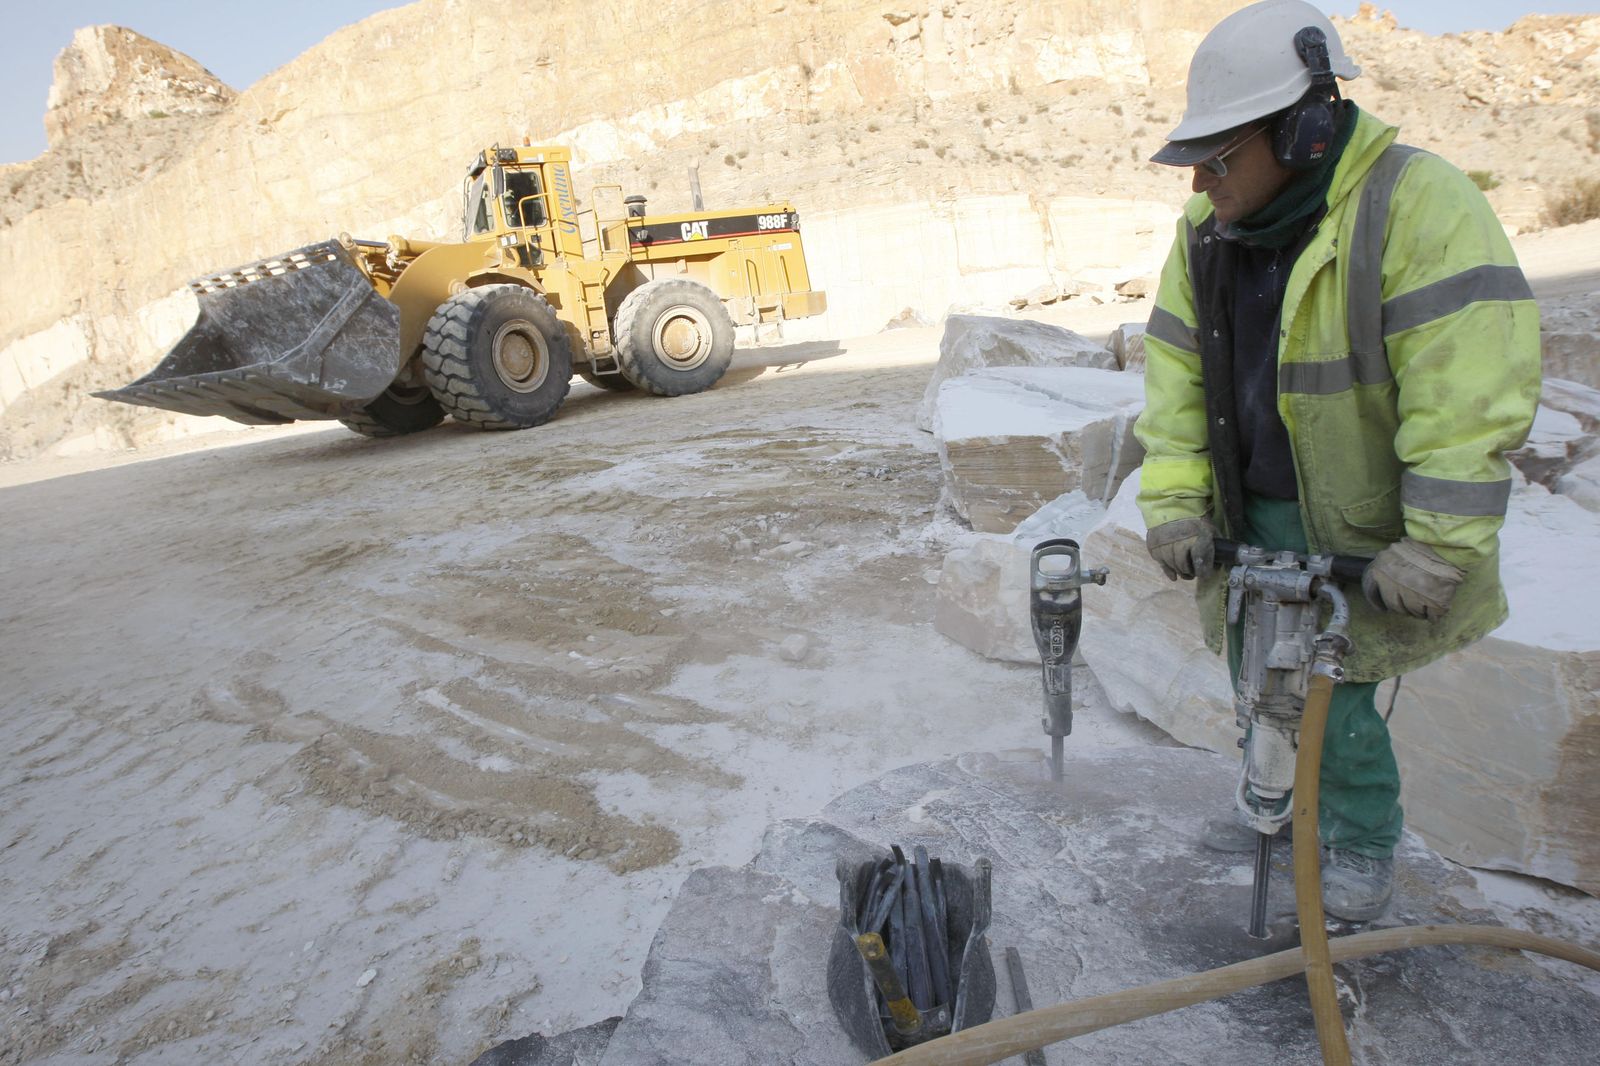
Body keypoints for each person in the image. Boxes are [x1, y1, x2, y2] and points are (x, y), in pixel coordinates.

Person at [1133, 0, 1540, 922]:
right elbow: (1174, 383)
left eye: (1217, 157)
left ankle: (1357, 843)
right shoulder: (1203, 234)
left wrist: (1440, 545)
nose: (1198, 180)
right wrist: (1176, 502)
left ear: (1304, 130)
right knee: (1256, 677)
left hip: (1361, 527)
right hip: (1253, 509)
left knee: (1336, 700)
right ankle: (1272, 803)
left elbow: (1469, 390)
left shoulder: (1417, 204)